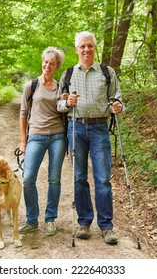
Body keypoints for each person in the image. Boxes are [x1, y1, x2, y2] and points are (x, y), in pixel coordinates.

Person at [57, 31, 123, 245]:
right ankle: (84, 221)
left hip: (100, 129)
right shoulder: (67, 74)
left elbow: (119, 100)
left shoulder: (107, 72)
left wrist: (118, 106)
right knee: (79, 177)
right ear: (76, 49)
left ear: (95, 48)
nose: (86, 49)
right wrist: (68, 104)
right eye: (82, 46)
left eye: (90, 46)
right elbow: (59, 105)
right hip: (76, 128)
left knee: (103, 178)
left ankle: (106, 226)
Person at [18, 46, 66, 236]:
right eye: (45, 62)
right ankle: (32, 220)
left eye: (52, 63)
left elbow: (65, 110)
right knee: (28, 179)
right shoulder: (31, 85)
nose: (47, 65)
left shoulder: (61, 87)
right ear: (42, 62)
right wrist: (23, 141)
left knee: (54, 179)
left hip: (57, 136)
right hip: (35, 136)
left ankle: (50, 219)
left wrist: (65, 101)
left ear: (57, 67)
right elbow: (23, 114)